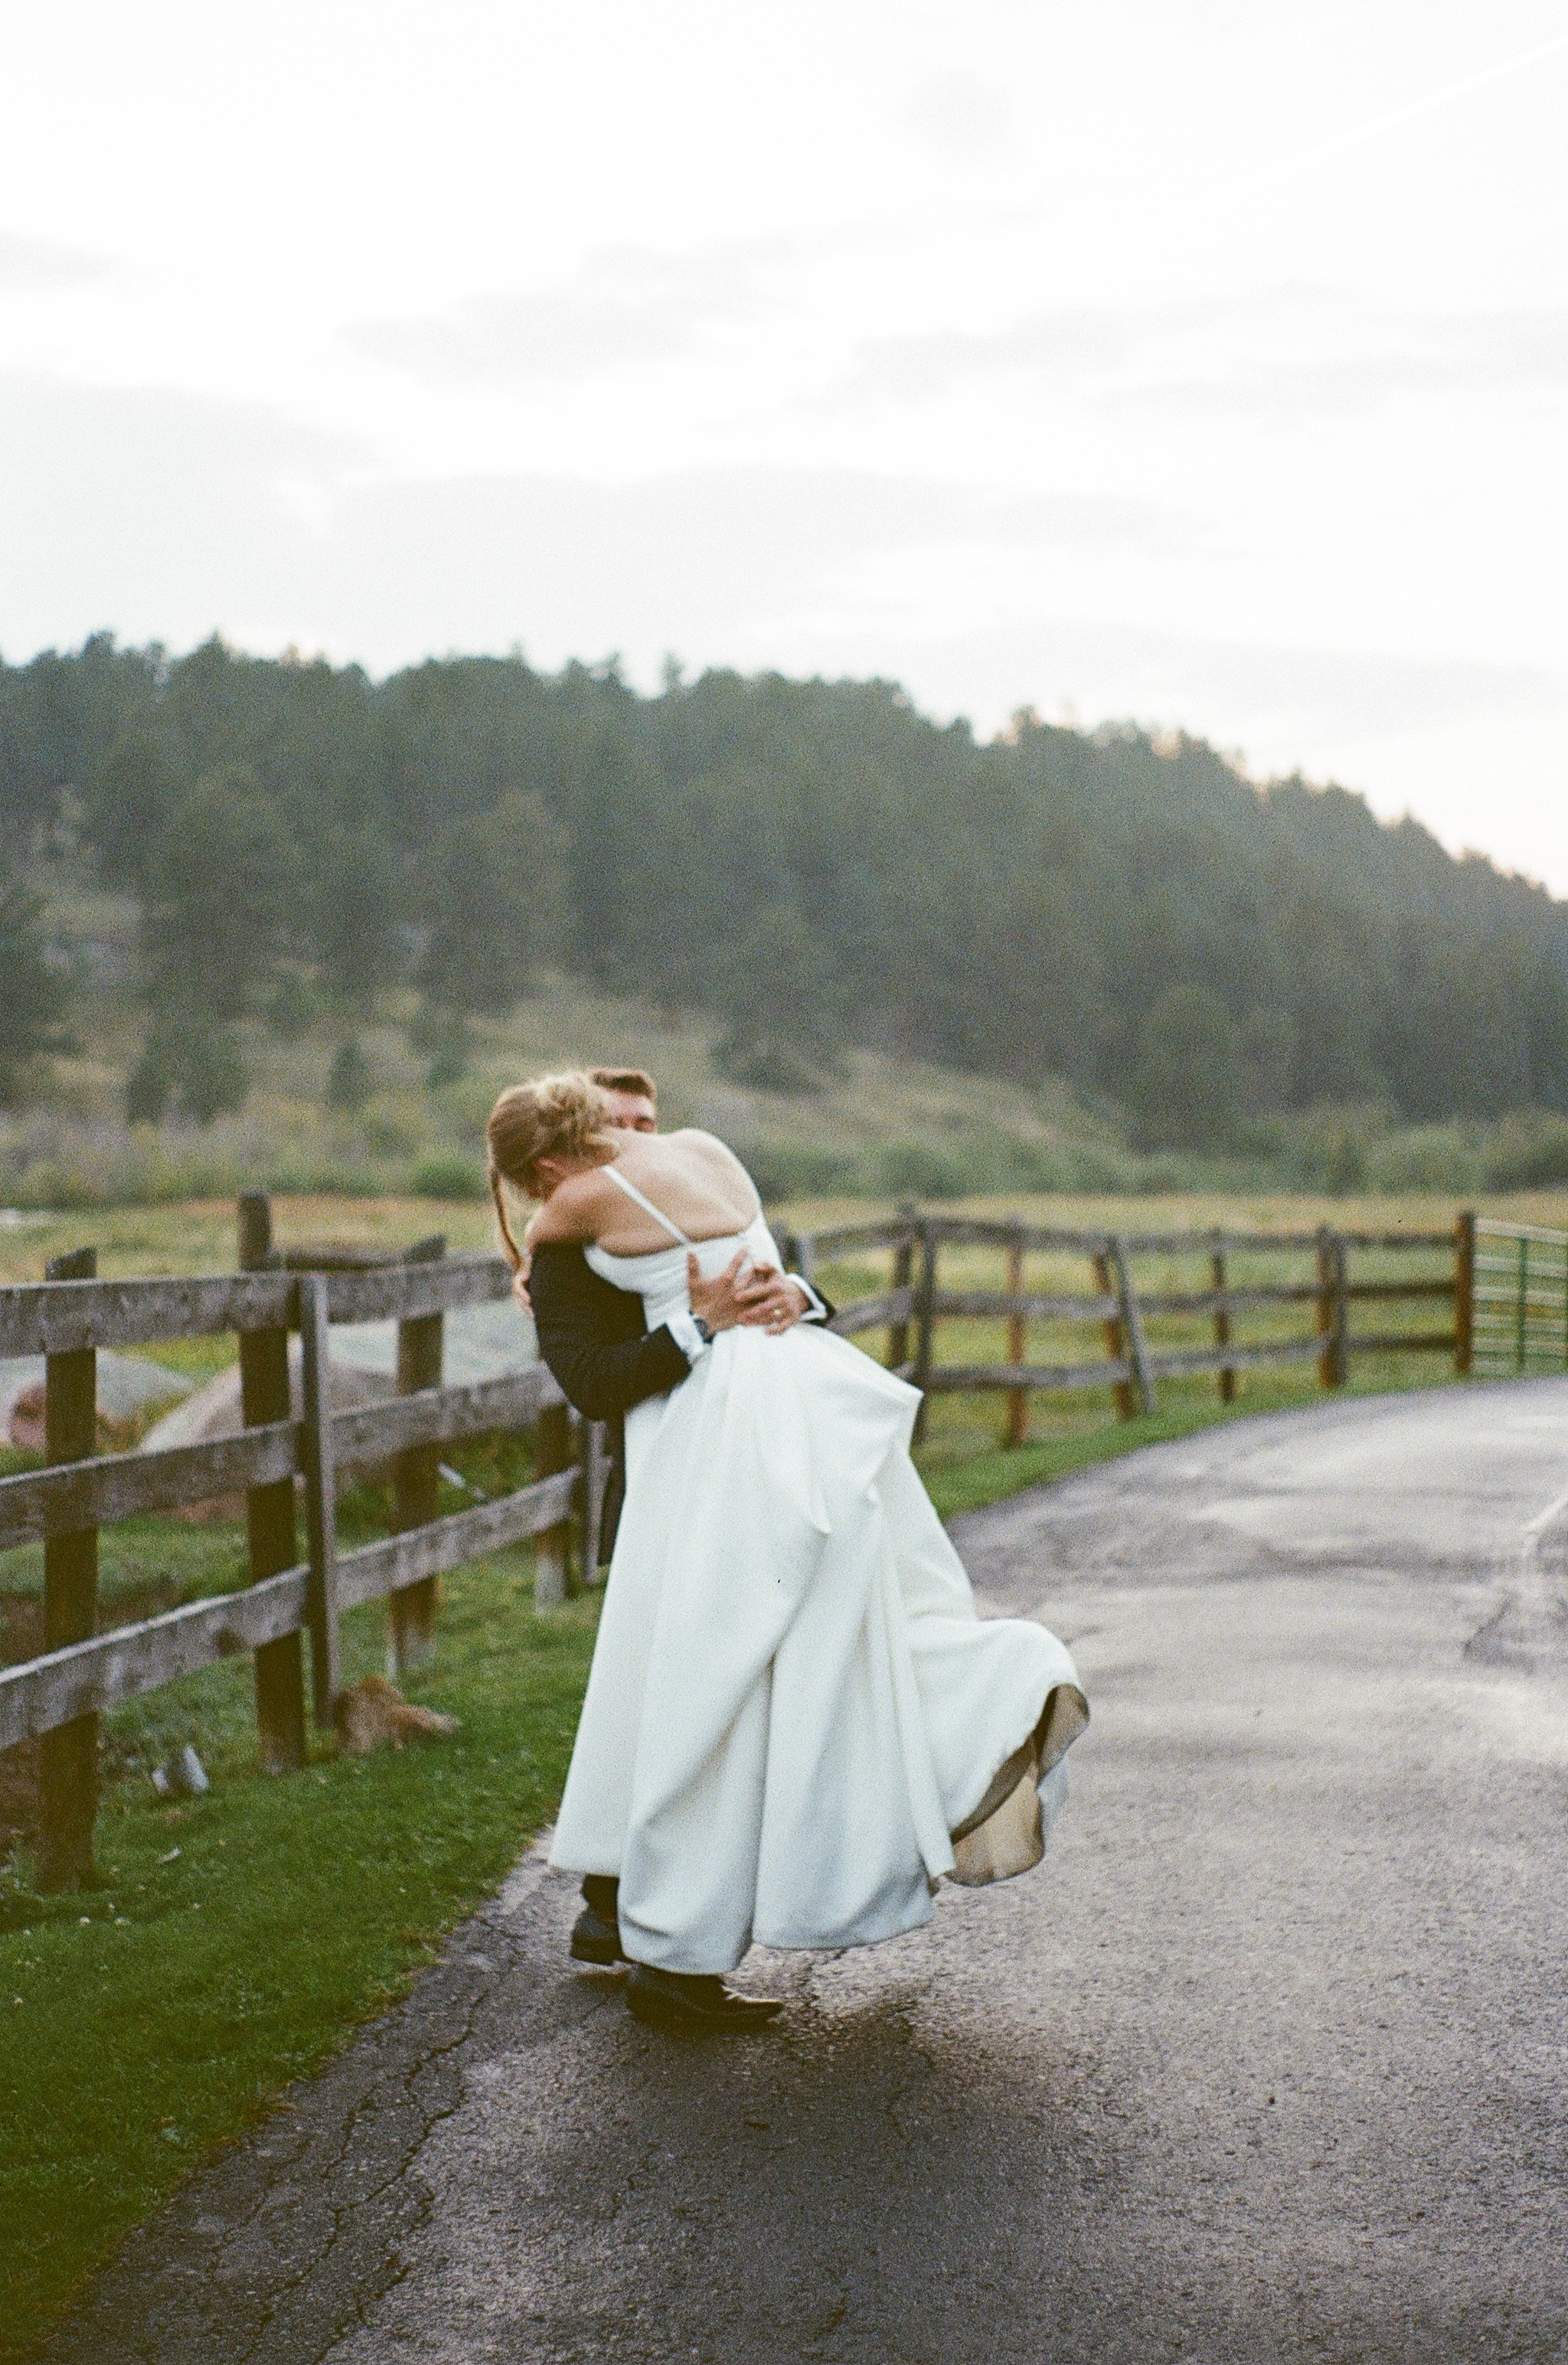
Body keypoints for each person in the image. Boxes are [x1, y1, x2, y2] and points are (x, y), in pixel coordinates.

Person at [487, 1072, 1089, 2035]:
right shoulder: (708, 1151)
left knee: (724, 1682)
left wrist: (729, 1312)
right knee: (817, 1652)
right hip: (811, 1427)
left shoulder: (569, 1212)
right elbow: (718, 1290)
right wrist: (756, 1303)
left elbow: (598, 1381)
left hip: (717, 1458)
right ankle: (649, 1917)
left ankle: (668, 1944)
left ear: (544, 1164)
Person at [521, 1067, 828, 1971]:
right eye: (610, 1126)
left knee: (735, 1677)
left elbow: (767, 1284)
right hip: (664, 1477)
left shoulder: (690, 1187)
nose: (628, 1142)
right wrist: (698, 1324)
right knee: (668, 1689)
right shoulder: (571, 1246)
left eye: (641, 1124)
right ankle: (633, 1910)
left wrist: (801, 1295)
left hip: (761, 1456)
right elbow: (591, 1382)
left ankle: (634, 1907)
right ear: (558, 1160)